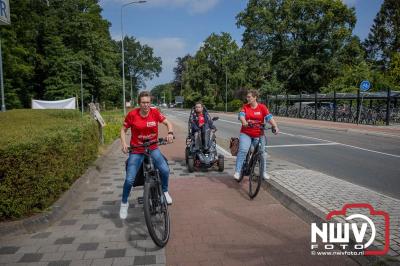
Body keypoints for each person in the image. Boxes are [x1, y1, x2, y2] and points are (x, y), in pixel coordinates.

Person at [120, 91, 174, 219]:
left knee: (165, 170)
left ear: (150, 103)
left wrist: (170, 132)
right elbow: (123, 130)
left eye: (148, 102)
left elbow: (167, 123)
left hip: (153, 147)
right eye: (143, 102)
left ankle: (165, 191)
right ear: (139, 103)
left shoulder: (155, 113)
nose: (146, 105)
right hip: (137, 150)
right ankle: (124, 203)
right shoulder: (132, 114)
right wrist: (123, 143)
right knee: (129, 179)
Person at [234, 89, 279, 181]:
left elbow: (269, 117)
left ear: (255, 97)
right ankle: (238, 171)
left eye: (249, 97)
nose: (247, 98)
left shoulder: (262, 107)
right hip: (246, 133)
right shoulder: (245, 107)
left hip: (259, 134)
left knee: (262, 153)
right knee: (243, 150)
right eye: (247, 97)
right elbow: (241, 115)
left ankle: (263, 172)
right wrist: (244, 122)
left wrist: (275, 126)